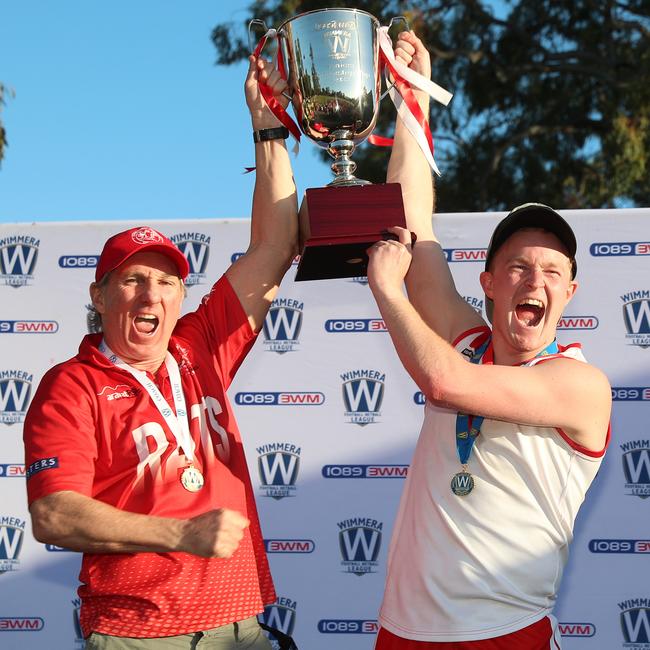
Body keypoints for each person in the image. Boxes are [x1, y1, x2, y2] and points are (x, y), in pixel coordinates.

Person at [23, 54, 298, 650]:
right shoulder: (70, 385)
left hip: (240, 623)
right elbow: (54, 515)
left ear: (181, 297)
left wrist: (268, 127)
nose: (151, 294)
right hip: (141, 632)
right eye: (131, 280)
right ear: (98, 296)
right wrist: (181, 534)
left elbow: (276, 244)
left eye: (168, 281)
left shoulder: (199, 345)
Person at [366, 32, 612, 650]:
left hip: (503, 634)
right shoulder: (466, 336)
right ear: (490, 284)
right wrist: (412, 100)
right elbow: (411, 223)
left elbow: (447, 383)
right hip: (401, 630)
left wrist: (391, 295)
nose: (536, 281)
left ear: (571, 293)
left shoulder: (580, 386)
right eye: (519, 268)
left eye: (553, 272)